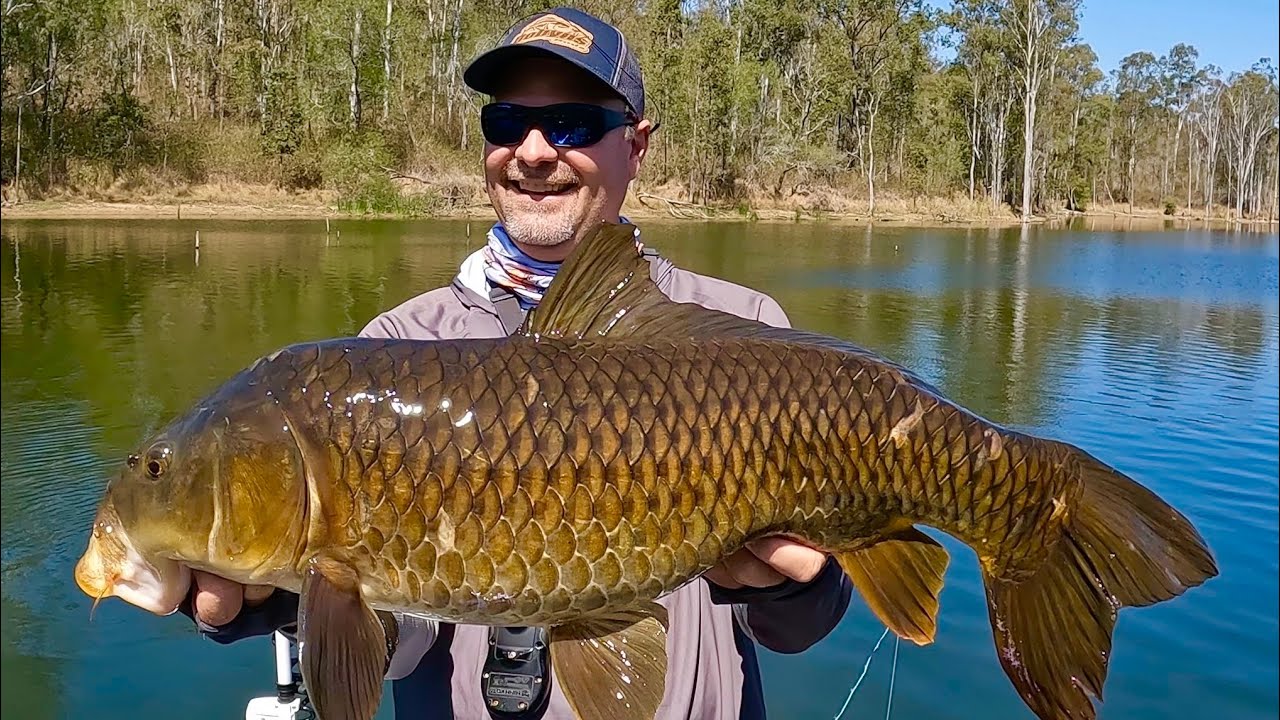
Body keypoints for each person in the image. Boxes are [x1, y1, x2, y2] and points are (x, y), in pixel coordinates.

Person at [181, 7, 852, 719]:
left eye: (572, 124)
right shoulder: (396, 348)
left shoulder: (748, 338)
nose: (532, 151)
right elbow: (398, 643)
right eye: (505, 124)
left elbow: (791, 632)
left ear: (638, 145)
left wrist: (800, 590)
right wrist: (300, 601)